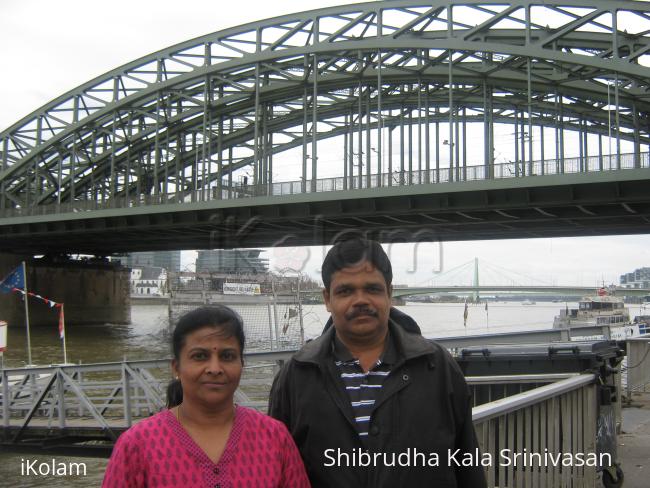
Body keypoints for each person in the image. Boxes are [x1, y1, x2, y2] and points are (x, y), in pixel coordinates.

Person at [269, 239, 487, 487]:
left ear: (389, 294)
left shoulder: (437, 367)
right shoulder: (296, 375)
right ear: (327, 299)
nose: (360, 300)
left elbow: (467, 464)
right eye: (346, 291)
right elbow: (276, 471)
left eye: (372, 289)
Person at [103, 305, 310, 488]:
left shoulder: (274, 438)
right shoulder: (137, 445)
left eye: (227, 356)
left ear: (241, 365)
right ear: (176, 367)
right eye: (200, 356)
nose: (214, 368)